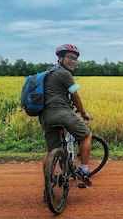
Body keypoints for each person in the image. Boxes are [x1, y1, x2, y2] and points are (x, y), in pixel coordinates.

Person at [39, 44, 92, 187]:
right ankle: (84, 171)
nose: (73, 61)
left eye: (75, 59)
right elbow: (76, 97)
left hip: (45, 117)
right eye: (70, 57)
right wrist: (83, 113)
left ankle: (48, 184)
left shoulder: (49, 72)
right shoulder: (64, 74)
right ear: (60, 58)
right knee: (86, 136)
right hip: (61, 113)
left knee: (51, 152)